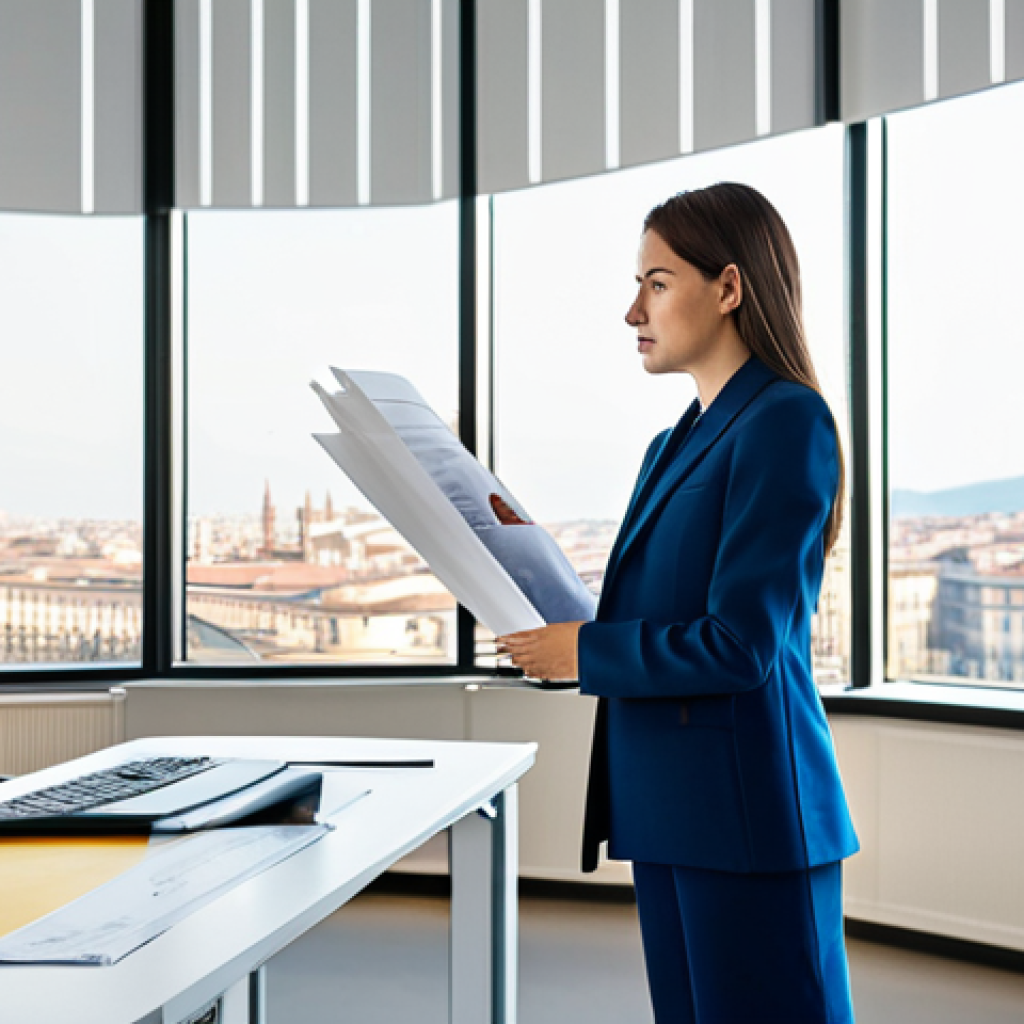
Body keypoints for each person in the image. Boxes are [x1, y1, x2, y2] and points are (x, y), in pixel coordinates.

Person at [496, 182, 859, 1024]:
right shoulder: (672, 444)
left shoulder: (785, 421)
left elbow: (741, 644)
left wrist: (583, 653)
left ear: (729, 288)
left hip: (748, 817)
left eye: (656, 283)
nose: (633, 311)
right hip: (669, 811)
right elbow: (658, 602)